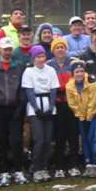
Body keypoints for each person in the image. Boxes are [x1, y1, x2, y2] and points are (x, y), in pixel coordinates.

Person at [0, 37, 28, 186]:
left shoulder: (19, 66)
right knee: (1, 141)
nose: (7, 52)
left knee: (16, 141)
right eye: (5, 49)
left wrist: (21, 106)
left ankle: (18, 170)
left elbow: (23, 88)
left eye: (10, 49)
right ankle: (4, 172)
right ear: (0, 50)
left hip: (15, 109)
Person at [21, 45, 60, 182]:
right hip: (35, 107)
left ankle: (44, 167)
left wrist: (50, 107)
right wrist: (37, 108)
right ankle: (36, 167)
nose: (40, 59)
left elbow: (54, 90)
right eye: (37, 57)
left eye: (42, 56)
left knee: (48, 139)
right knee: (39, 139)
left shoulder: (51, 70)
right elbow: (29, 92)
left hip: (48, 104)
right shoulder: (29, 71)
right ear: (33, 58)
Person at [47, 38, 82, 178]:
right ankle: (59, 166)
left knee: (73, 135)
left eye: (62, 47)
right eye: (57, 47)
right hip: (57, 104)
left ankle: (73, 164)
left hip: (73, 104)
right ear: (53, 50)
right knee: (59, 136)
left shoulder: (73, 62)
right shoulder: (49, 65)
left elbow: (79, 80)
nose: (60, 49)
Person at [65, 60, 96, 177]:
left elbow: (95, 100)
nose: (80, 74)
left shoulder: (92, 82)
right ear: (72, 73)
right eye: (77, 72)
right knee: (84, 137)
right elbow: (72, 104)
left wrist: (89, 115)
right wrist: (81, 115)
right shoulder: (69, 86)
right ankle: (88, 162)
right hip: (82, 115)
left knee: (93, 136)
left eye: (82, 71)